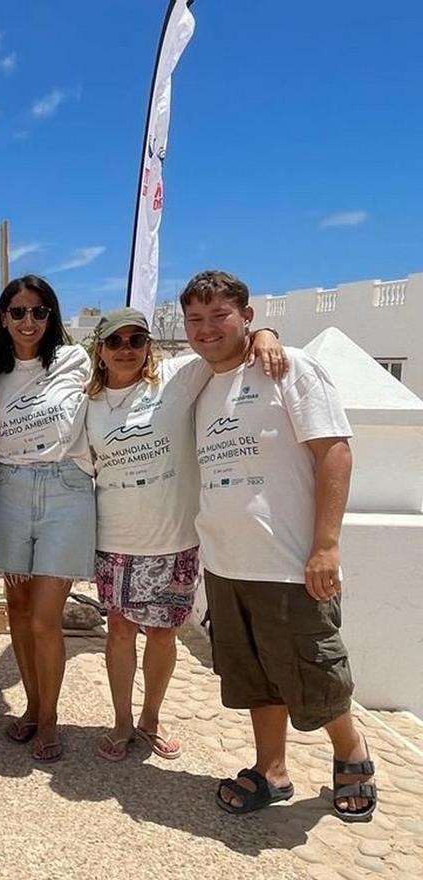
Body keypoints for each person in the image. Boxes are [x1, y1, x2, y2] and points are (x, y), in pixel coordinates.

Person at [182, 270, 375, 821]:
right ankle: (272, 770)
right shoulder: (199, 382)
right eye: (196, 319)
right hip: (224, 563)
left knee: (314, 674)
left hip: (289, 563)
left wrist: (326, 546)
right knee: (254, 677)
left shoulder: (290, 368)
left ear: (246, 315)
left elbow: (334, 451)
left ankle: (351, 750)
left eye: (220, 315)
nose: (206, 328)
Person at [84, 307, 284, 763]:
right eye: (115, 342)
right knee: (118, 632)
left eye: (136, 340)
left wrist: (266, 332)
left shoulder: (178, 377)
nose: (126, 350)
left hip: (175, 539)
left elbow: (227, 345)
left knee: (161, 635)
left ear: (148, 346)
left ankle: (150, 718)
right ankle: (120, 721)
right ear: (101, 350)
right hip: (114, 539)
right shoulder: (88, 403)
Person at [0, 275, 93, 762]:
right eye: (18, 312)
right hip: (10, 489)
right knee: (20, 613)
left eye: (39, 311)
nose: (29, 322)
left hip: (66, 491)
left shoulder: (75, 360)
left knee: (46, 620)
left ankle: (49, 718)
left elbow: (146, 371)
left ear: (52, 317)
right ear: (4, 318)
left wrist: (264, 336)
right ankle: (31, 707)